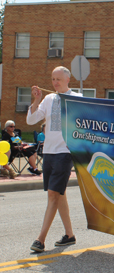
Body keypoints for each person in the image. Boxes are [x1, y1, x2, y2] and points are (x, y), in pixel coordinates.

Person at [27, 66, 82, 252]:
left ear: (68, 79)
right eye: (52, 79)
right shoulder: (49, 99)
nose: (55, 82)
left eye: (58, 79)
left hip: (65, 152)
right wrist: (36, 100)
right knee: (59, 194)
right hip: (49, 152)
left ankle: (40, 239)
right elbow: (31, 120)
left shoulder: (77, 98)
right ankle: (69, 235)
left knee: (53, 194)